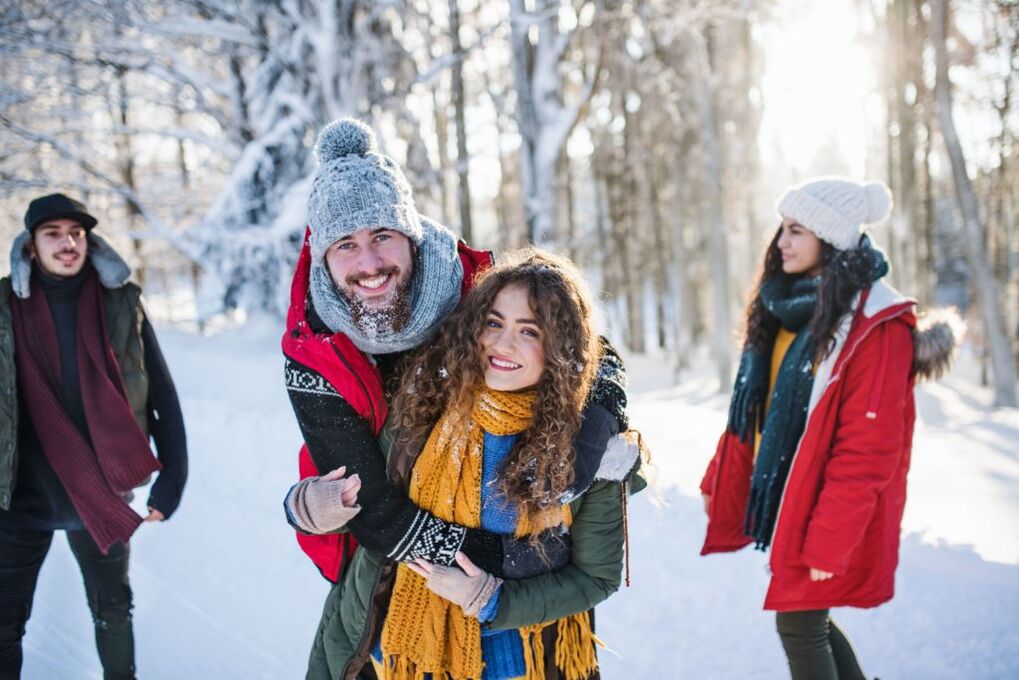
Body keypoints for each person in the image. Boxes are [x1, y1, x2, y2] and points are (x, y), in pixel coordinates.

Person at [280, 118, 628, 586]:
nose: (369, 264)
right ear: (324, 256)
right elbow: (372, 505)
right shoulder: (313, 351)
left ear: (410, 234)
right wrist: (501, 559)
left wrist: (595, 433)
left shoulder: (472, 286)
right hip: (389, 571)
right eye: (346, 244)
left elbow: (586, 349)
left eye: (382, 235)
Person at [307, 249, 645, 680]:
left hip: (521, 662)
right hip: (394, 651)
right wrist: (311, 505)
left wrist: (492, 599)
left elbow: (597, 578)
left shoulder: (587, 450)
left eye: (530, 331)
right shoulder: (424, 406)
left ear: (560, 347)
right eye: (494, 322)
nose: (503, 344)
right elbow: (372, 507)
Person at [699, 178, 961, 679]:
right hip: (790, 497)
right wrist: (720, 477)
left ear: (831, 236)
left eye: (797, 230)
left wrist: (829, 541)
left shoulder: (874, 326)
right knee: (807, 621)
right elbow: (754, 407)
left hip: (824, 507)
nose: (782, 242)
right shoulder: (787, 308)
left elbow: (868, 452)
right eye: (782, 229)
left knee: (798, 624)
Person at [0, 193, 188, 680]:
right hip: (19, 499)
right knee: (4, 624)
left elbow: (161, 394)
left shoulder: (120, 302)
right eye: (54, 234)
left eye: (76, 233)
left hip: (101, 493)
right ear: (30, 245)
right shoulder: (3, 306)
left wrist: (173, 480)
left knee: (113, 612)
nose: (68, 243)